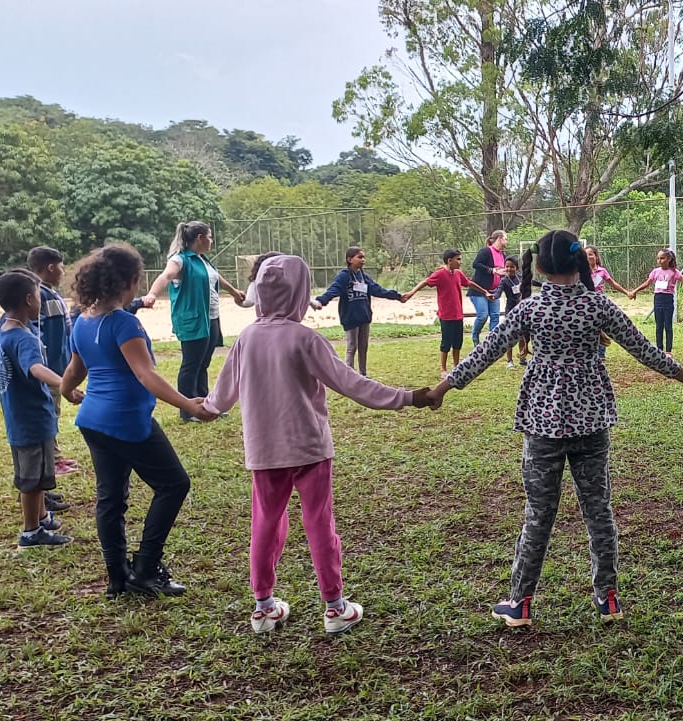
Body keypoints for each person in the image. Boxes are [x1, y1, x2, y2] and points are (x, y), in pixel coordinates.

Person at [429, 230, 683, 627]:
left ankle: (521, 603)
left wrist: (442, 388)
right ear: (578, 261)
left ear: (540, 265)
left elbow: (483, 354)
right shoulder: (598, 305)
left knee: (538, 514)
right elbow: (646, 351)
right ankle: (608, 598)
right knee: (599, 509)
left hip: (543, 426)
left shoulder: (529, 309)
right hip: (592, 422)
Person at [202, 254, 434, 635]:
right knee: (320, 524)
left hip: (264, 452)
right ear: (300, 291)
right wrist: (407, 398)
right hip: (309, 449)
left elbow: (220, 397)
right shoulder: (305, 338)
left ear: (260, 291)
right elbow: (352, 383)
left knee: (265, 523)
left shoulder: (246, 338)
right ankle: (335, 608)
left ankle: (263, 609)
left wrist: (206, 407)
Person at [62, 244, 215, 598]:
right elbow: (146, 375)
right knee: (174, 484)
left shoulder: (83, 320)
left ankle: (118, 578)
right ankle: (146, 569)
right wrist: (188, 406)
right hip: (126, 420)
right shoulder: (123, 322)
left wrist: (67, 392)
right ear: (130, 281)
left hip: (93, 421)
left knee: (110, 500)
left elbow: (74, 369)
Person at [0, 270, 82, 549]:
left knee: (38, 474)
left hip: (18, 417)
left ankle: (42, 517)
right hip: (32, 419)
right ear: (30, 299)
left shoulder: (2, 332)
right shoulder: (24, 337)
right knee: (32, 479)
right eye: (38, 298)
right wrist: (65, 384)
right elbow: (36, 368)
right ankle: (32, 532)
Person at [142, 221, 246, 422]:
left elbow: (217, 278)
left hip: (211, 318)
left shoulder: (203, 260)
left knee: (203, 363)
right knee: (191, 364)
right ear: (200, 238)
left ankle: (206, 404)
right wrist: (152, 294)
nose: (211, 241)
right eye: (209, 237)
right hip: (193, 320)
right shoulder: (180, 260)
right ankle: (188, 410)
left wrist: (234, 292)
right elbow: (166, 276)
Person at [26, 247, 82, 481]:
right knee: (49, 414)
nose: (63, 270)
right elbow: (37, 333)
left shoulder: (50, 293)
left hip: (58, 367)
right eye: (61, 266)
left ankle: (55, 456)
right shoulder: (40, 296)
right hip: (49, 369)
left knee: (53, 412)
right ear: (50, 267)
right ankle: (52, 460)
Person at [311, 246, 405, 376]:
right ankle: (348, 376)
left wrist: (398, 296)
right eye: (359, 257)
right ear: (350, 259)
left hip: (364, 316)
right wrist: (320, 301)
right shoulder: (344, 276)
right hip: (350, 317)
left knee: (363, 347)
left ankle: (363, 375)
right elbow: (334, 289)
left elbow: (377, 290)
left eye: (363, 257)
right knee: (352, 347)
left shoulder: (364, 277)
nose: (363, 260)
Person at [404, 249, 491, 377]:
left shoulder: (458, 273)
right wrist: (412, 292)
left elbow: (469, 283)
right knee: (446, 343)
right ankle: (443, 369)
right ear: (450, 260)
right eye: (458, 259)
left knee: (458, 342)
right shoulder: (440, 274)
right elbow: (426, 282)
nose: (460, 262)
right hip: (446, 316)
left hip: (458, 315)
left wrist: (485, 291)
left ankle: (457, 367)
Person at [627, 248, 683, 355]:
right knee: (659, 326)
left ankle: (668, 351)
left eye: (662, 258)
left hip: (668, 300)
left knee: (668, 325)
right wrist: (635, 291)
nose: (659, 260)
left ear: (669, 259)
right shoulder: (655, 271)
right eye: (658, 258)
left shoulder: (674, 272)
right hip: (657, 299)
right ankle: (659, 349)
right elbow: (647, 283)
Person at [469, 230, 511, 345]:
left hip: (494, 291)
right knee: (483, 315)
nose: (507, 241)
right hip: (479, 291)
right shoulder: (486, 251)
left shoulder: (503, 255)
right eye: (506, 238)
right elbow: (476, 264)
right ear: (499, 239)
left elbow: (502, 271)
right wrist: (491, 270)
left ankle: (493, 342)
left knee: (495, 316)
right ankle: (475, 336)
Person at [500, 256, 540, 367]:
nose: (509, 269)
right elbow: (498, 291)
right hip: (510, 310)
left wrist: (544, 284)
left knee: (522, 335)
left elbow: (532, 281)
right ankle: (509, 360)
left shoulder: (520, 278)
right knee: (510, 335)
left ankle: (522, 358)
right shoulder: (504, 281)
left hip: (522, 309)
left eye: (511, 266)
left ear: (516, 268)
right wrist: (493, 295)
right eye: (507, 266)